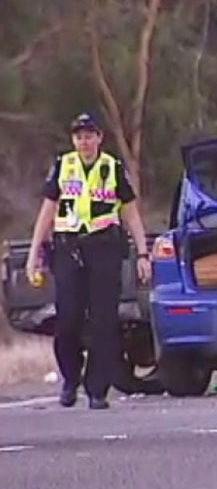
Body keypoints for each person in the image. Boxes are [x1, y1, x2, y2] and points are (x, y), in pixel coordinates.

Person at [24, 113, 152, 410]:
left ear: (99, 138)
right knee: (67, 319)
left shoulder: (112, 168)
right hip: (69, 248)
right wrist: (34, 253)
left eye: (89, 135)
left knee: (104, 321)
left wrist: (142, 253)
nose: (84, 142)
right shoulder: (64, 166)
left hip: (104, 247)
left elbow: (131, 213)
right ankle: (71, 377)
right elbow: (47, 211)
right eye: (79, 136)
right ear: (74, 140)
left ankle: (97, 389)